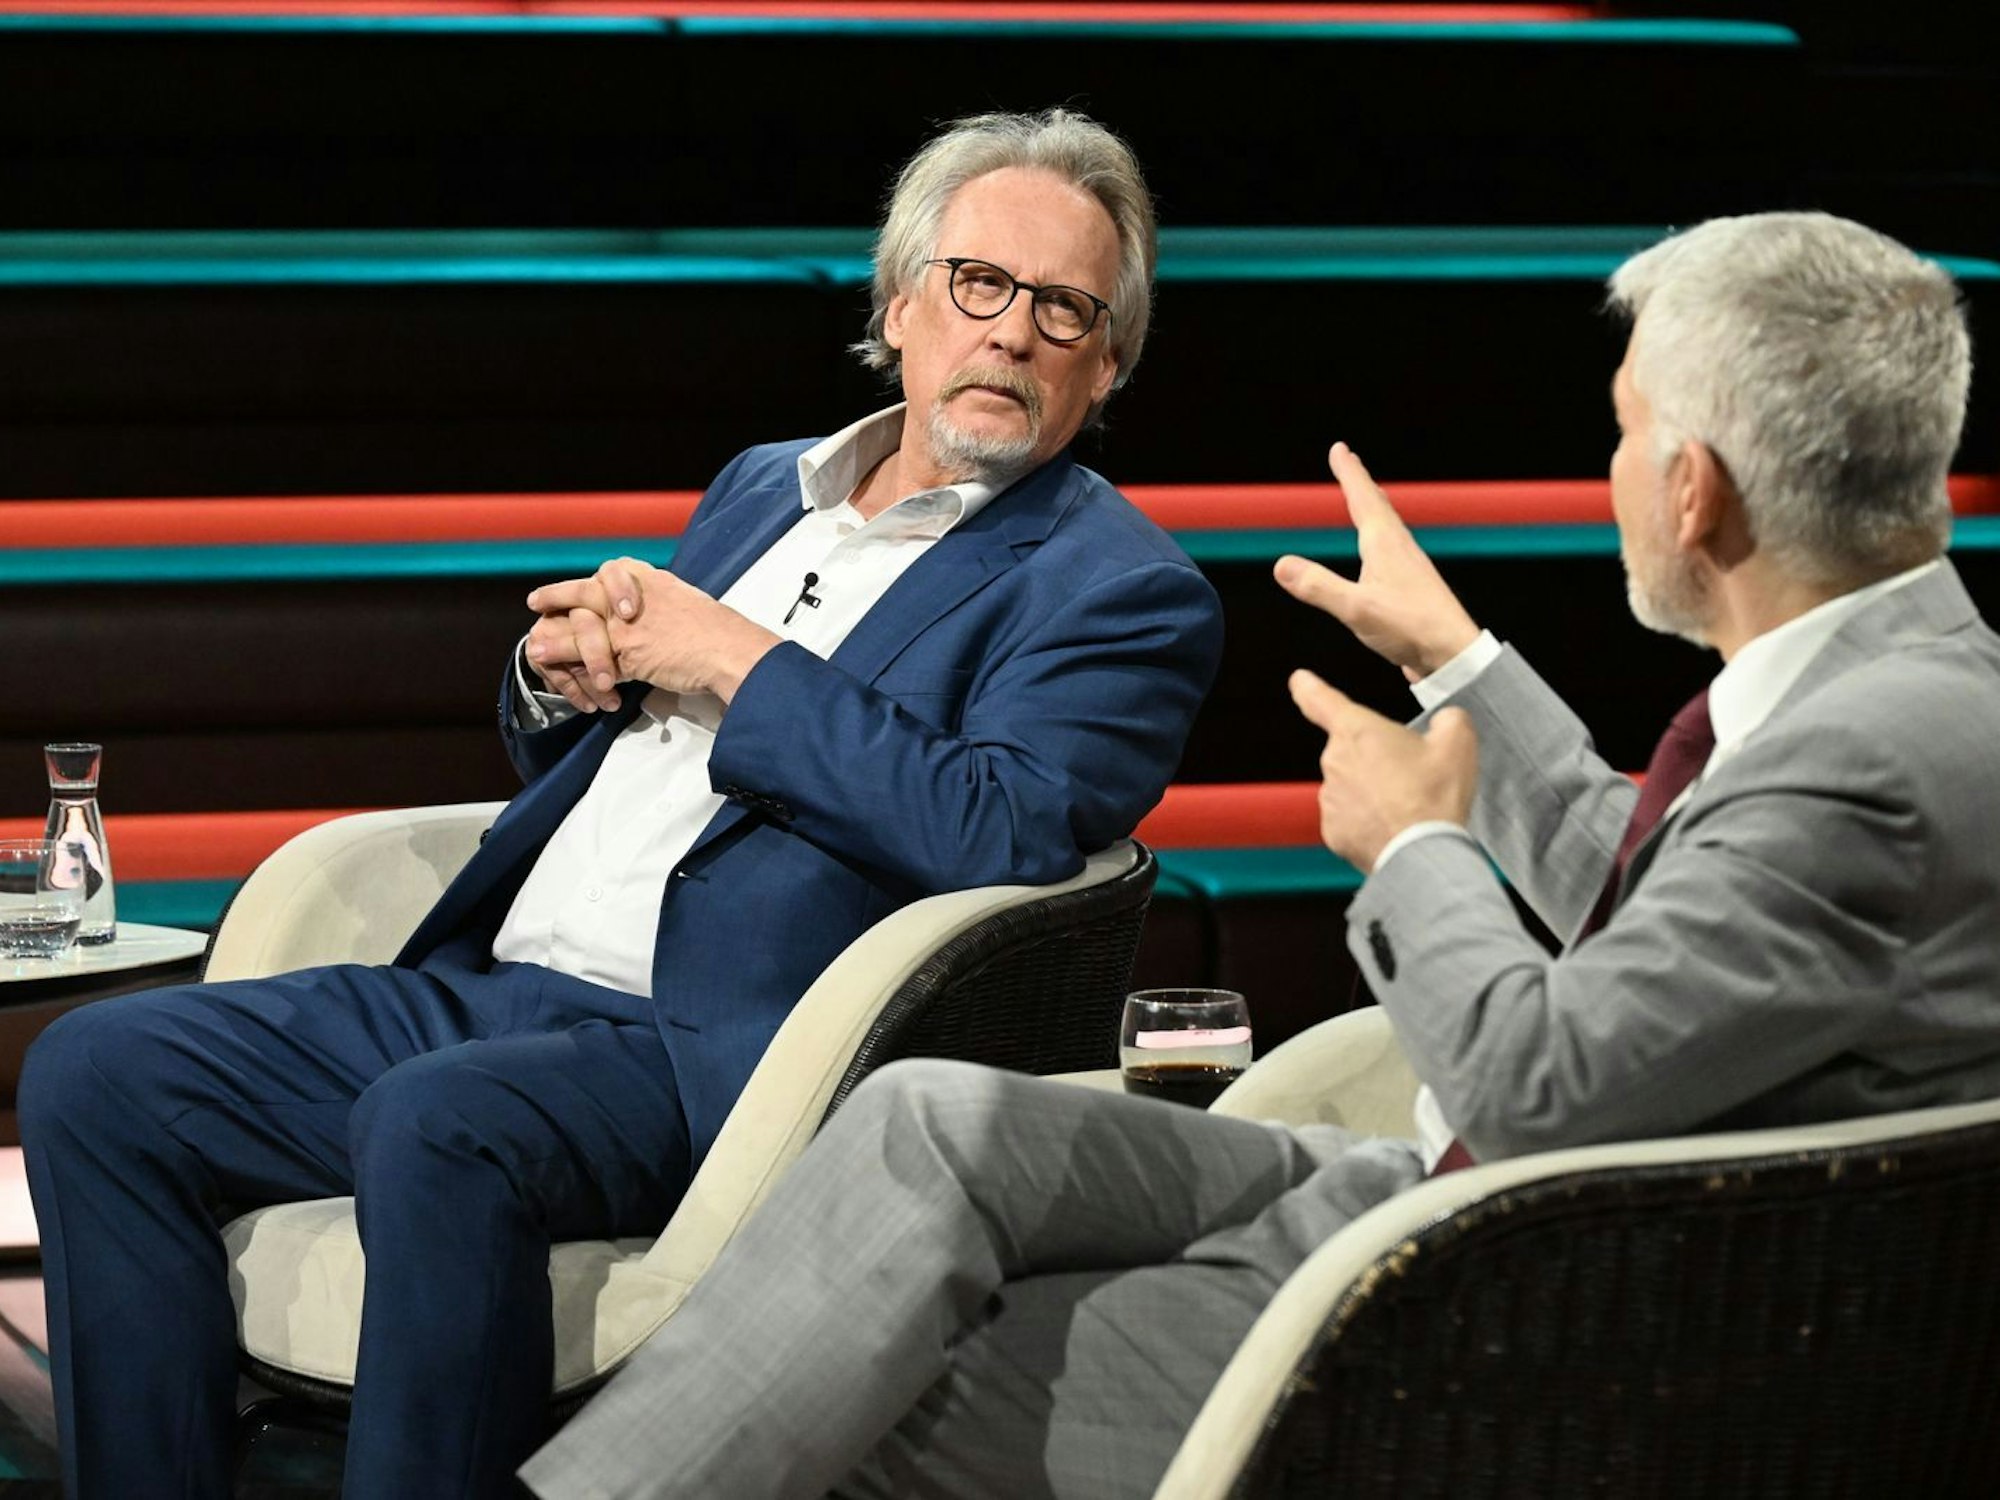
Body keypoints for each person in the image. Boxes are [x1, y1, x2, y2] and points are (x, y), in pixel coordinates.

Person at [517, 210, 2000, 1500]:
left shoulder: (1862, 769)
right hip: (1445, 1190)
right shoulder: (1912, 697)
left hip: (1523, 1305)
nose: (1609, 472)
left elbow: (1546, 1089)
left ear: (1696, 493)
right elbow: (1681, 904)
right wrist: (1461, 666)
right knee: (928, 1130)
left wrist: (1417, 846)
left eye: (1621, 432)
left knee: (842, 1383)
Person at [18, 108, 1223, 1500]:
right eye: (980, 284)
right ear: (899, 305)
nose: (1013, 332)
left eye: (1064, 308)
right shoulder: (766, 487)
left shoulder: (1115, 588)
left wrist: (736, 661)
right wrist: (557, 678)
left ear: (1109, 362)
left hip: (715, 1049)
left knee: (439, 1122)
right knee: (98, 1074)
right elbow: (614, 760)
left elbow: (1003, 827)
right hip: (501, 984)